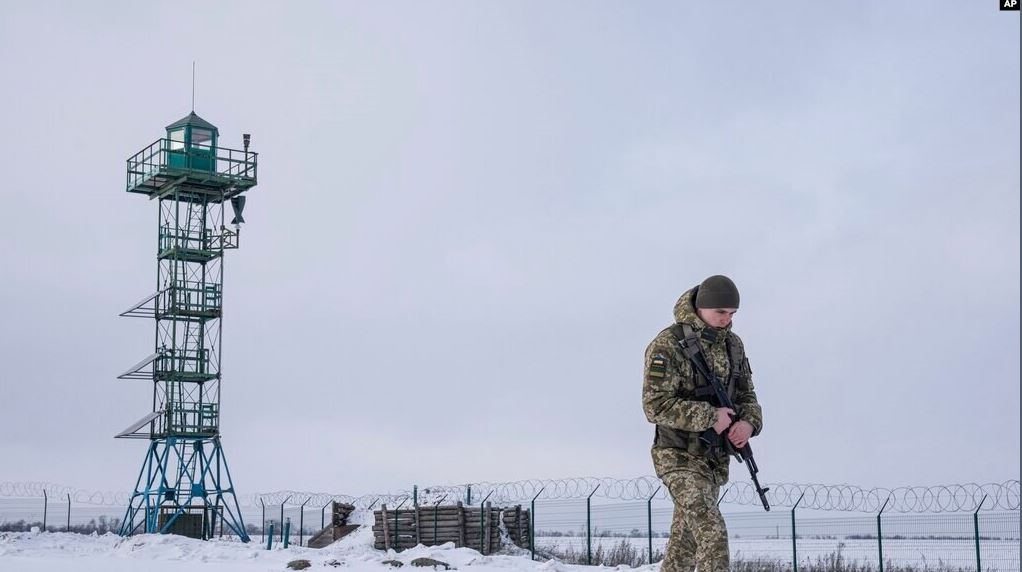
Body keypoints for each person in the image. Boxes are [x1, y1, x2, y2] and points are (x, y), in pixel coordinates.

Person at [642, 275, 763, 572]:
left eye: (732, 314)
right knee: (712, 534)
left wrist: (749, 423)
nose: (726, 320)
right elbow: (654, 405)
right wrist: (711, 417)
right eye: (720, 312)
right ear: (701, 307)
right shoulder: (669, 344)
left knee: (684, 546)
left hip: (713, 460)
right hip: (678, 455)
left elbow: (747, 394)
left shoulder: (733, 345)